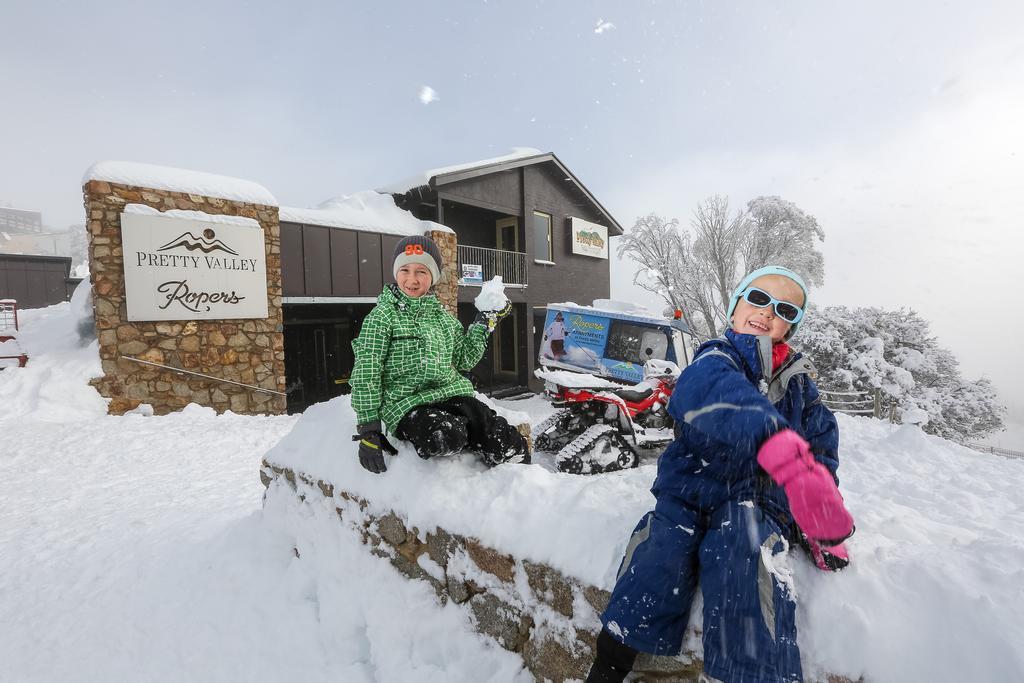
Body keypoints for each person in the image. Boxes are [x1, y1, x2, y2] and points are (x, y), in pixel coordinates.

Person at [586, 266, 855, 683]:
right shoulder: (717, 358)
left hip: (755, 499)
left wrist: (817, 517)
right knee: (661, 553)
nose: (766, 313)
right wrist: (779, 447)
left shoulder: (801, 387)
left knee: (746, 554)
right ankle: (610, 662)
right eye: (758, 298)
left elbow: (821, 448)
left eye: (783, 309)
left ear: (790, 328)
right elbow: (708, 394)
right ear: (734, 308)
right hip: (690, 490)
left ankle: (754, 675)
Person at [350, 234, 529, 474]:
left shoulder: (443, 318)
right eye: (405, 270)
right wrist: (369, 430)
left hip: (453, 395)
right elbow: (366, 372)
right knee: (444, 436)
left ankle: (521, 484)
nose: (411, 279)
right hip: (407, 405)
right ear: (395, 273)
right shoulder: (382, 318)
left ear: (432, 276)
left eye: (421, 272)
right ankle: (462, 434)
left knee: (507, 442)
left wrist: (484, 321)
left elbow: (465, 358)